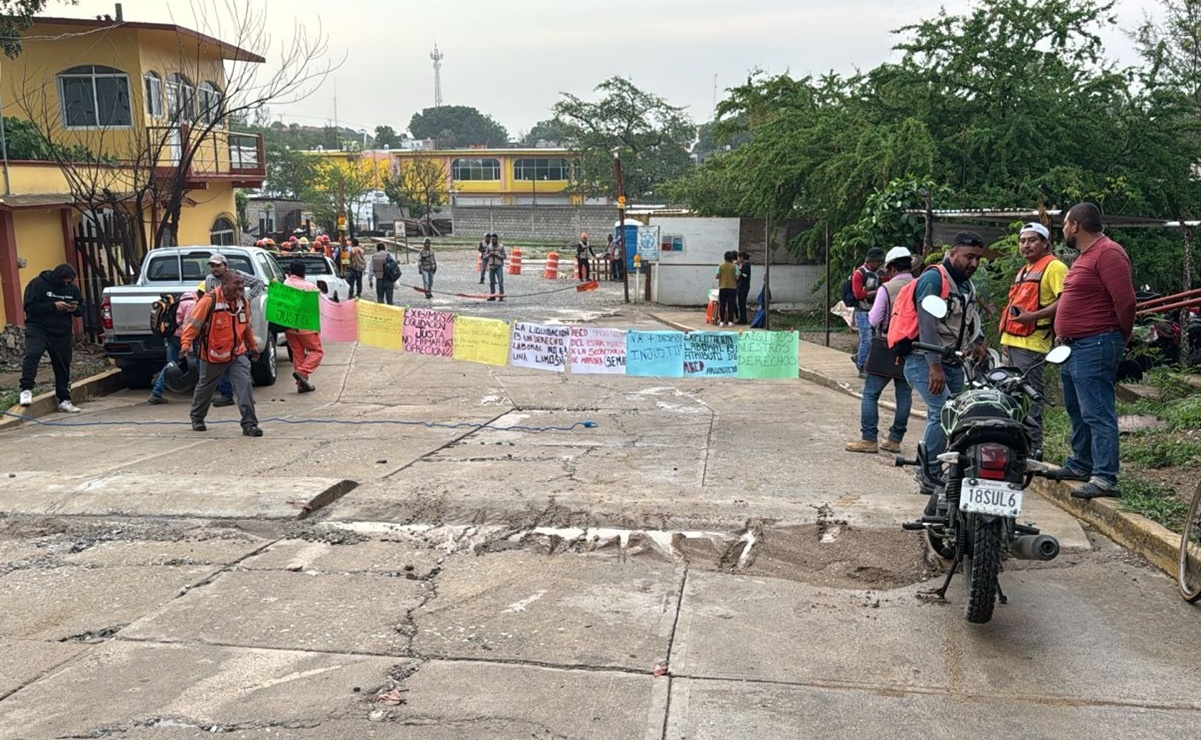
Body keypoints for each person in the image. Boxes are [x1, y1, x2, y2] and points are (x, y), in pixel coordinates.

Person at [1052, 202, 1137, 499]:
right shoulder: (1086, 256)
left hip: (1096, 343)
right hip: (1074, 346)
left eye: (1065, 223)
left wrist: (1120, 337)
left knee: (1097, 411)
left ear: (1076, 225)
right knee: (1077, 409)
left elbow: (1126, 302)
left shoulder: (1108, 253)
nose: (1063, 229)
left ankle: (1104, 477)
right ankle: (1081, 463)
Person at [903, 233, 986, 485]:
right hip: (924, 359)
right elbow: (926, 324)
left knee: (955, 414)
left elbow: (970, 317)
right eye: (968, 256)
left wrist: (980, 341)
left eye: (977, 258)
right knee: (942, 412)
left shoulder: (966, 285)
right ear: (952, 253)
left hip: (954, 360)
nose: (973, 263)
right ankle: (927, 472)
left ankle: (944, 468)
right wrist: (934, 366)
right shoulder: (933, 278)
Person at [998, 222, 1068, 459]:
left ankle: (1033, 451)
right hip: (1013, 343)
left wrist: (1034, 317)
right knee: (1012, 397)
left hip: (1032, 344)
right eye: (1022, 241)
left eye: (1032, 240)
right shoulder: (1025, 269)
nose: (1026, 245)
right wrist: (1005, 341)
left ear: (1046, 243)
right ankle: (1016, 448)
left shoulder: (1054, 267)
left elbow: (1065, 301)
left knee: (1030, 398)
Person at [847, 247, 914, 454]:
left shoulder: (887, 288)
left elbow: (874, 319)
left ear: (892, 268)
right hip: (912, 348)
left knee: (870, 393)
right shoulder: (920, 285)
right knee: (904, 395)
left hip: (886, 345)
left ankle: (869, 439)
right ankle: (895, 440)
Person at [179, 270, 262, 436]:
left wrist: (252, 347)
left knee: (244, 385)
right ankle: (197, 417)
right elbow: (192, 325)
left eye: (242, 283)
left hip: (237, 354)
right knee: (205, 388)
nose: (241, 287)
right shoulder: (209, 301)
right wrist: (185, 345)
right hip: (212, 356)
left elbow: (246, 327)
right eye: (236, 283)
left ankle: (249, 424)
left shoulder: (243, 302)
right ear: (224, 285)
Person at [18, 262, 84, 413]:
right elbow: (29, 307)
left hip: (62, 332)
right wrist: (53, 306)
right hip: (38, 328)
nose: (66, 284)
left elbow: (82, 308)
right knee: (33, 355)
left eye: (69, 281)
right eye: (64, 281)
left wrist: (75, 309)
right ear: (57, 277)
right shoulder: (38, 284)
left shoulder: (72, 289)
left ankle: (64, 399)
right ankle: (26, 389)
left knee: (62, 365)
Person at [204, 254, 263, 407]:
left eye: (218, 265)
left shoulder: (238, 276)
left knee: (241, 362)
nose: (215, 269)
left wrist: (247, 298)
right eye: (212, 266)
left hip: (239, 322)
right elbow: (208, 301)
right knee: (221, 361)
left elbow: (259, 282)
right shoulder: (210, 280)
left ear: (225, 265)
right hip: (221, 327)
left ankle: (246, 396)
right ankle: (226, 394)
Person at [148, 282, 203, 404]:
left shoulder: (184, 298)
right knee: (198, 364)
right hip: (182, 337)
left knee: (171, 365)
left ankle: (156, 393)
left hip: (173, 335)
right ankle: (203, 394)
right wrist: (187, 344)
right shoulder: (192, 304)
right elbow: (188, 326)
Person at [283, 260, 323, 393]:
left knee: (298, 355)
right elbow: (318, 306)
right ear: (304, 273)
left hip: (289, 326)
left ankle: (301, 385)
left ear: (290, 272)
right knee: (317, 351)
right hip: (307, 327)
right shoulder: (311, 287)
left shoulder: (285, 284)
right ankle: (302, 372)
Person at [851, 247, 886, 376]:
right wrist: (877, 293)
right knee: (867, 339)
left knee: (871, 338)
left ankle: (859, 357)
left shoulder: (879, 273)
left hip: (874, 310)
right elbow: (858, 294)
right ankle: (862, 367)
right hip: (862, 310)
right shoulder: (859, 273)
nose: (879, 264)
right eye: (878, 262)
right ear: (871, 261)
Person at [716, 251, 739, 327]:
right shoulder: (735, 266)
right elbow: (737, 277)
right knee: (731, 304)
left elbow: (717, 276)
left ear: (724, 258)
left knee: (722, 304)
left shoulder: (720, 266)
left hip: (722, 287)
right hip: (732, 288)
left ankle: (722, 321)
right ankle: (730, 321)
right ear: (732, 258)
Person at [485, 233, 507, 301]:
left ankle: (501, 296)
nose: (493, 241)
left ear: (497, 239)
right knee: (492, 282)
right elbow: (484, 256)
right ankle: (493, 296)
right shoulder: (489, 246)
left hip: (498, 266)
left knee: (500, 282)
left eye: (494, 239)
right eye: (492, 239)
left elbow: (504, 256)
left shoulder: (501, 246)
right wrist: (489, 255)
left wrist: (497, 255)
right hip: (491, 267)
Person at [736, 252, 752, 325]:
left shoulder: (746, 265)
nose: (738, 259)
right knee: (741, 303)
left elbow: (745, 275)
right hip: (742, 286)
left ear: (742, 257)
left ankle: (743, 319)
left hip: (743, 286)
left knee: (742, 303)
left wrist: (740, 271)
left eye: (739, 258)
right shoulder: (743, 264)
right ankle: (742, 318)